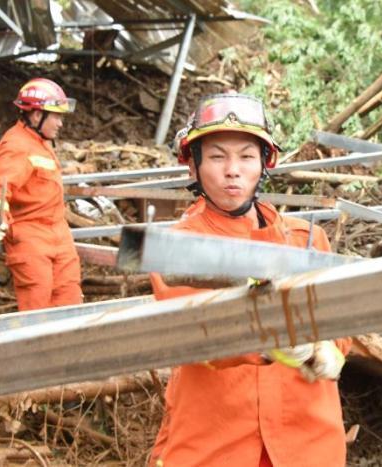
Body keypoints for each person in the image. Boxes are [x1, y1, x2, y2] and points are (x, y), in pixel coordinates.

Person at [149, 93, 351, 466]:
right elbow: (195, 327)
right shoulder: (176, 247)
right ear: (193, 167)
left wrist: (330, 348)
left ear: (264, 163)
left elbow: (341, 323)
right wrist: (271, 341)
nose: (232, 169)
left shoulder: (305, 240)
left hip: (305, 442)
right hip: (216, 441)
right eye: (216, 156)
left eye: (245, 156)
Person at [0, 78, 83, 311]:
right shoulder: (16, 146)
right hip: (31, 237)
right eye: (56, 116)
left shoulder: (41, 141)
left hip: (58, 232)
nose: (60, 124)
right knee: (38, 310)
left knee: (70, 300)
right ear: (36, 115)